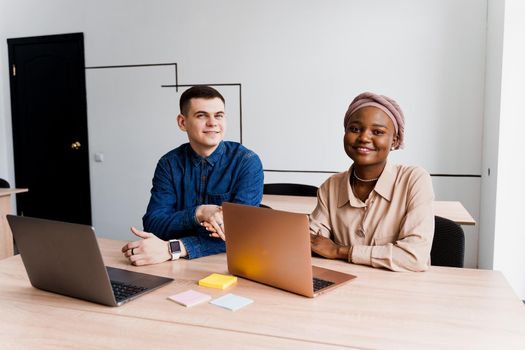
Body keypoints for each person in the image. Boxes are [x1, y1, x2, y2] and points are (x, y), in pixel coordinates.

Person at [121, 85, 264, 265]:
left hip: (225, 264)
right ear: (182, 122)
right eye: (202, 115)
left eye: (219, 115)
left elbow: (241, 232)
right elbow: (154, 224)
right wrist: (200, 212)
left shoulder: (246, 162)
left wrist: (173, 248)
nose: (213, 123)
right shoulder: (168, 164)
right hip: (172, 265)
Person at [309, 92, 434, 272]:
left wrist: (340, 251)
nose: (364, 138)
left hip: (401, 293)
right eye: (355, 129)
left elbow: (414, 257)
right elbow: (314, 241)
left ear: (395, 140)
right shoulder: (331, 186)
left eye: (377, 132)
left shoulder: (414, 180)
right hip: (345, 290)